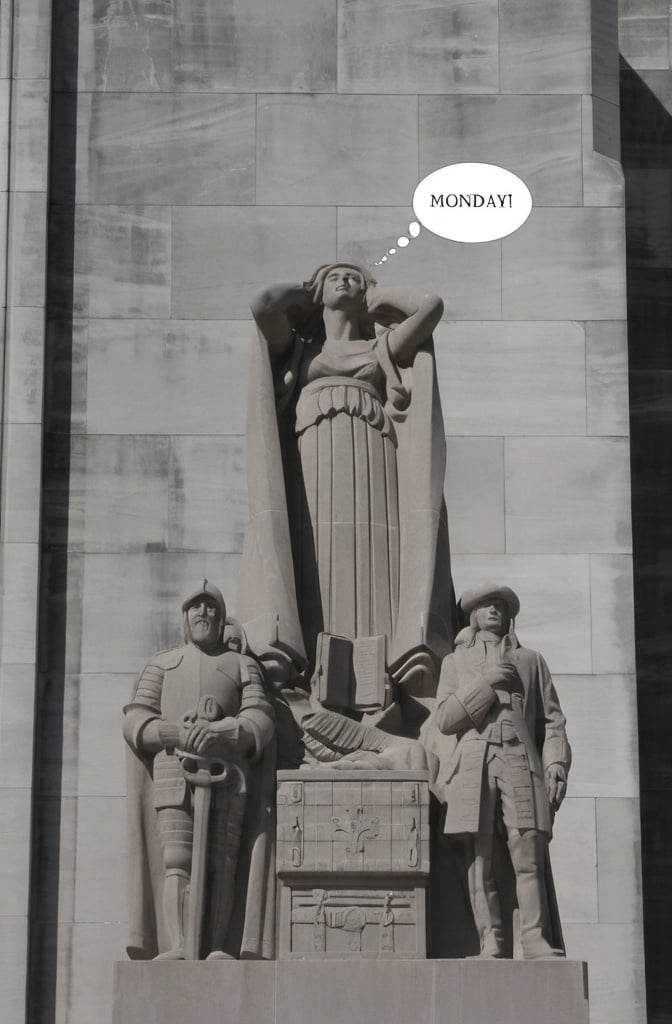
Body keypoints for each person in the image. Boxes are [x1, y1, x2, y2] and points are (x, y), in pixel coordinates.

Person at [237, 264, 455, 728]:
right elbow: (261, 305)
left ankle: (376, 691)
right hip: (312, 469)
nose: (344, 282)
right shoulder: (300, 350)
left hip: (374, 465)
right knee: (316, 568)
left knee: (374, 569)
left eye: (353, 278)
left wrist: (377, 297)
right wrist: (305, 290)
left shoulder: (381, 348)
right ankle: (316, 683)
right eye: (335, 276)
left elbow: (430, 306)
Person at [123, 581, 276, 960]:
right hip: (174, 772)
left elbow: (261, 717)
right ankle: (177, 945)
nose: (203, 614)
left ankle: (217, 946)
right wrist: (175, 732)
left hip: (228, 773)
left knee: (221, 861)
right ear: (185, 617)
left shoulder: (243, 666)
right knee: (177, 858)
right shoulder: (161, 665)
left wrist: (224, 731)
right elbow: (136, 720)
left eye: (210, 608)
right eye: (196, 608)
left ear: (221, 618)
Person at [432, 583, 571, 959]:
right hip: (474, 763)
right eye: (486, 605)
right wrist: (488, 683)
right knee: (481, 856)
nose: (494, 610)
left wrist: (556, 762)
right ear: (473, 616)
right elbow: (445, 719)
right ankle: (489, 939)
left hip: (519, 760)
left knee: (527, 851)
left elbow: (552, 722)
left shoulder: (531, 660)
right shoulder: (455, 663)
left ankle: (533, 938)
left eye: (501, 605)